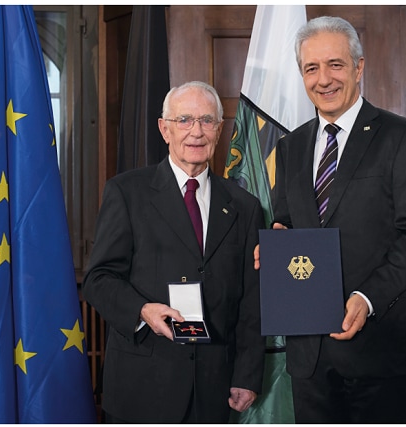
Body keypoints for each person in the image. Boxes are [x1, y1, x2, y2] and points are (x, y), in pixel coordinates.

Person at [263, 16, 406, 423]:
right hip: (310, 354)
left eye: (335, 65)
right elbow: (286, 221)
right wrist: (275, 245)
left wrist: (366, 298)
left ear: (358, 68)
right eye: (311, 68)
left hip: (382, 348)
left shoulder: (401, 136)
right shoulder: (290, 147)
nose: (323, 79)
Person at [83, 81, 265, 423]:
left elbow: (251, 301)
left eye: (207, 121)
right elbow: (98, 279)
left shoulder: (244, 206)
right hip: (143, 386)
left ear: (219, 130)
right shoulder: (127, 192)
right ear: (164, 129)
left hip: (215, 389)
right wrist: (142, 311)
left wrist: (247, 374)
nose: (196, 131)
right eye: (184, 120)